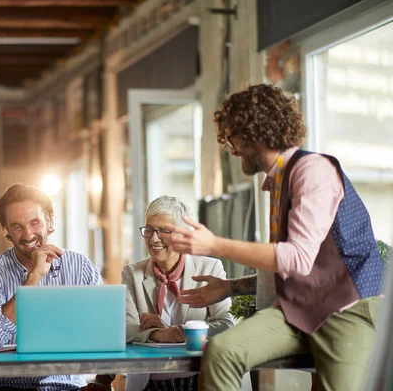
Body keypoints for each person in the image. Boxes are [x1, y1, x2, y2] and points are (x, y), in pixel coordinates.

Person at [163, 84, 385, 391]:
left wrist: (214, 245)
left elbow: (297, 259)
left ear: (257, 133)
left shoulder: (313, 170)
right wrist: (231, 288)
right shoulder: (277, 181)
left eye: (234, 137)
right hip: (298, 310)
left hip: (347, 310)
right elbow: (286, 267)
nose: (231, 149)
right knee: (222, 351)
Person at [0, 182, 104, 391]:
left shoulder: (81, 268)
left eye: (35, 223)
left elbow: (103, 332)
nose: (28, 235)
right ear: (6, 230)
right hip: (5, 387)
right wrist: (33, 278)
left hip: (66, 386)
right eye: (17, 226)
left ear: (49, 221)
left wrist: (103, 381)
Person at [123, 196, 234, 391]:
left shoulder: (210, 268)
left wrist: (181, 333)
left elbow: (225, 324)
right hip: (149, 382)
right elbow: (126, 329)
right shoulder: (132, 273)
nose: (154, 239)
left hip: (200, 378)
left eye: (164, 231)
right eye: (149, 230)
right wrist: (161, 334)